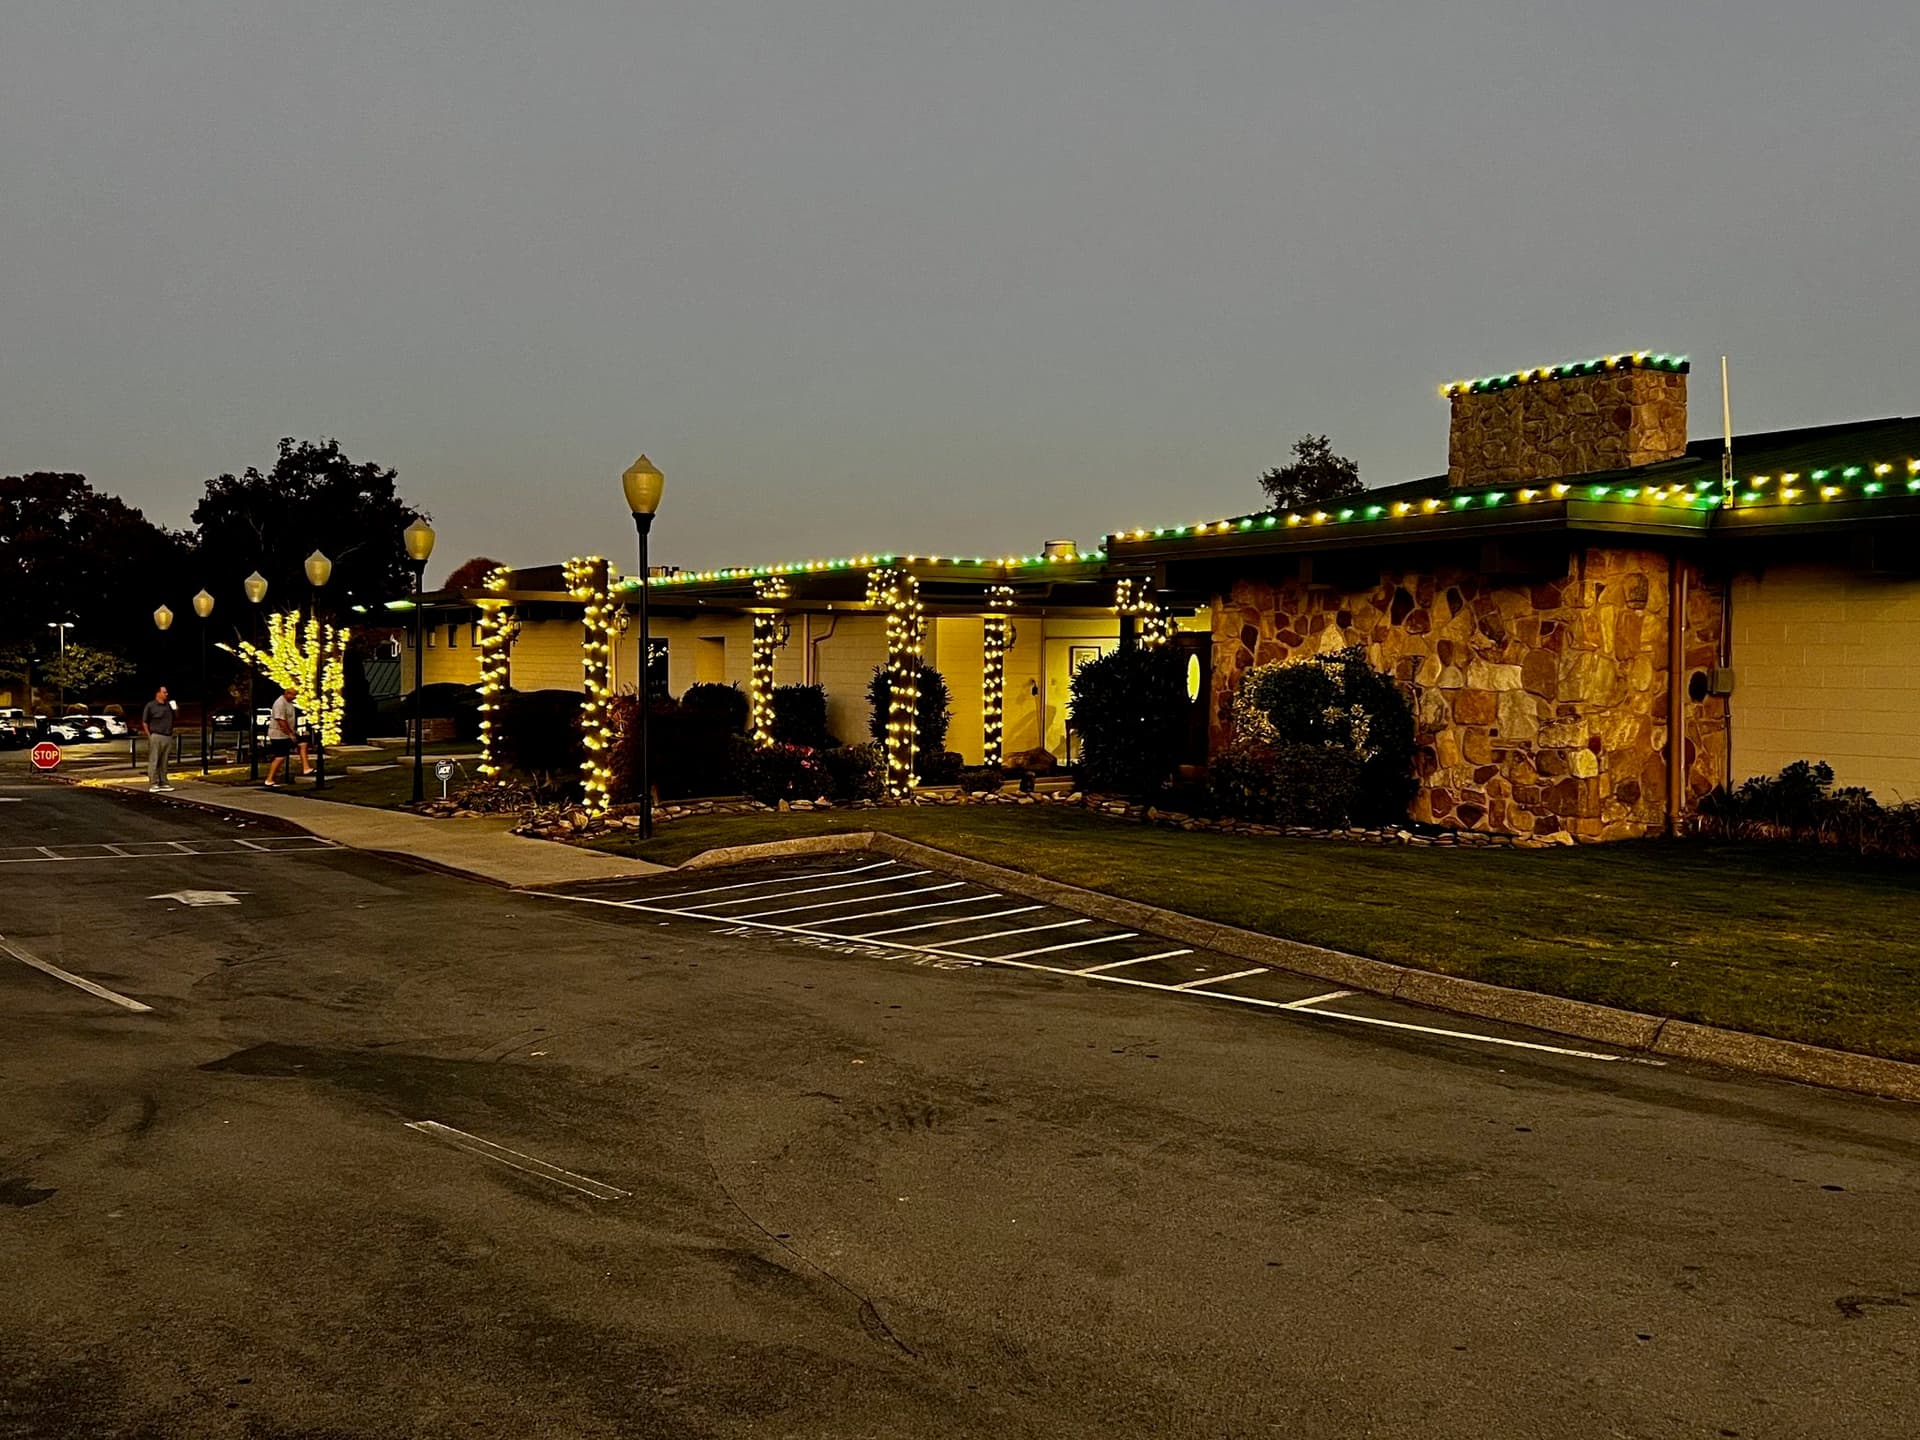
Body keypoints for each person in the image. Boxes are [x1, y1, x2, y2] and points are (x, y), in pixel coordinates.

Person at [263, 685, 303, 787]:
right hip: (278, 735)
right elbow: (281, 721)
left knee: (302, 744)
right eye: (293, 695)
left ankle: (306, 767)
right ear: (287, 694)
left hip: (284, 734)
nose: (295, 697)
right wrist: (290, 734)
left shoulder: (288, 703)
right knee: (280, 757)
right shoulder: (280, 704)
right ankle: (269, 779)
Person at [141, 685, 177, 792]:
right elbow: (145, 721)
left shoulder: (169, 705)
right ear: (158, 693)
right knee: (154, 760)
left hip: (167, 735)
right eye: (164, 692)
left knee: (164, 761)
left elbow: (176, 716)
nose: (166, 694)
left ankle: (164, 782)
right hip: (156, 734)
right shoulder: (151, 706)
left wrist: (176, 708)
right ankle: (154, 783)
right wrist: (149, 735)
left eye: (166, 692)